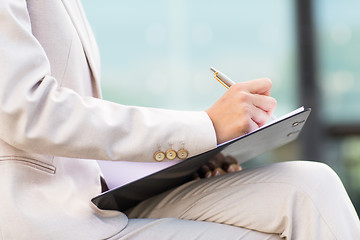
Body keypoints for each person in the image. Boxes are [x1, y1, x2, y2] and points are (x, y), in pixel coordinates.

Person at [0, 1, 359, 239]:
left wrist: (188, 163)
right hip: (47, 219)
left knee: (312, 185)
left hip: (97, 200)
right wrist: (205, 127)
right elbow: (24, 107)